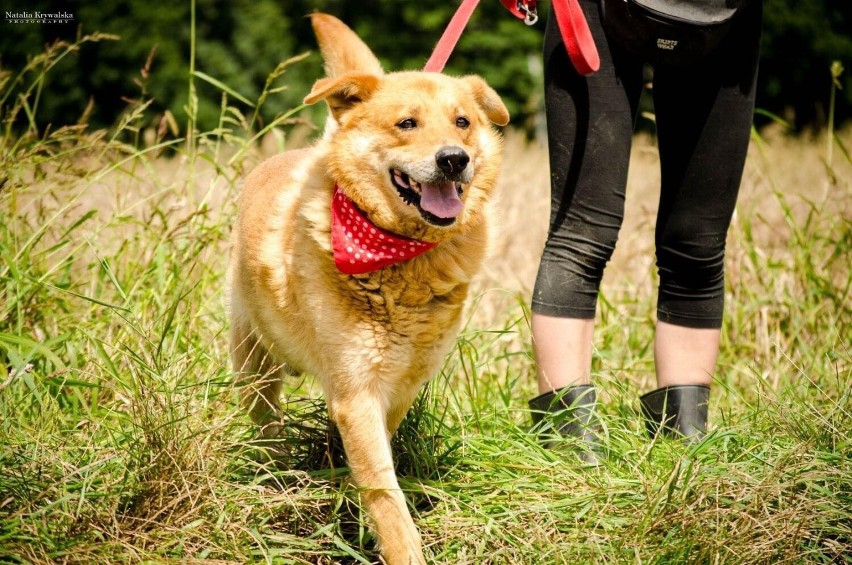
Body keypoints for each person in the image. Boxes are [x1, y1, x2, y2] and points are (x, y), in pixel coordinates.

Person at [528, 0, 763, 461]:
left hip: (723, 18)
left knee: (697, 244)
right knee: (583, 233)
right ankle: (566, 446)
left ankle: (685, 442)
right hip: (590, 10)